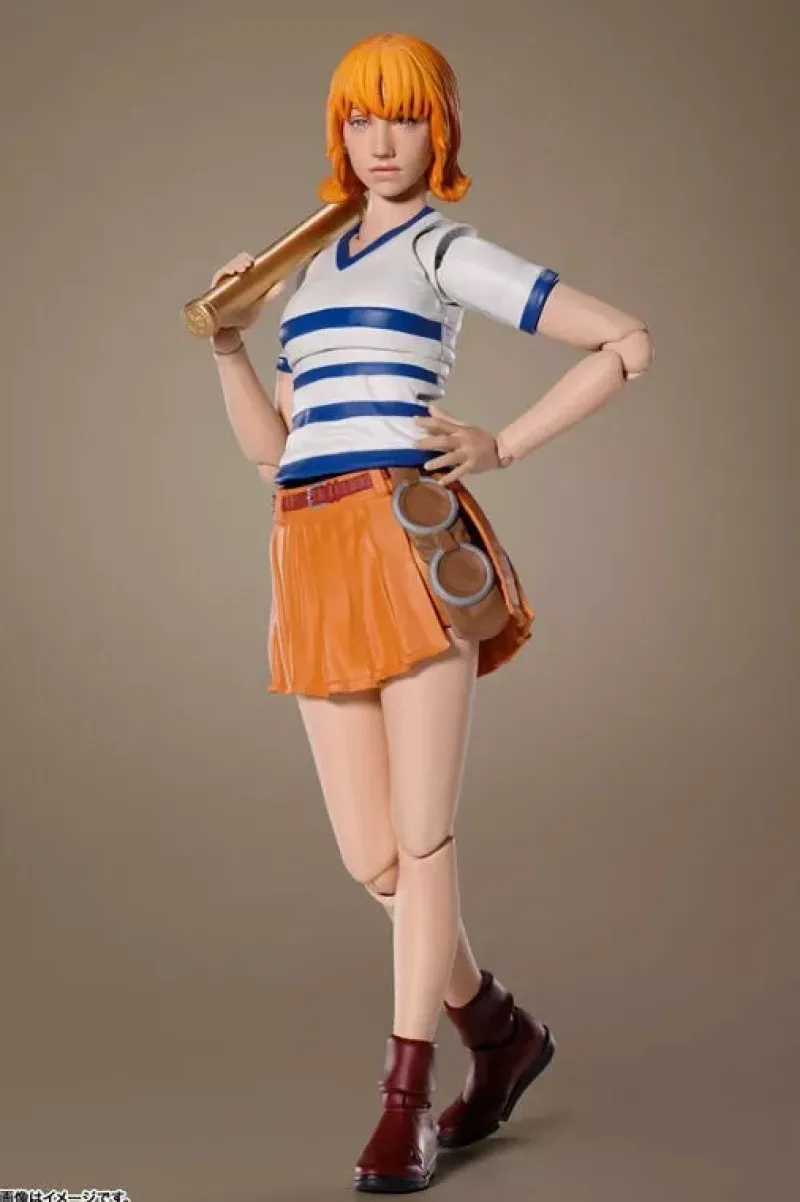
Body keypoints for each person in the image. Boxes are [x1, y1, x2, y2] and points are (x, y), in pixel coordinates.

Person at [207, 31, 653, 1195]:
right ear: (338, 131)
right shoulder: (309, 271)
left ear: (437, 129)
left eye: (402, 116)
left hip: (407, 543)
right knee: (373, 857)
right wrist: (229, 346)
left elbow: (623, 340)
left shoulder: (442, 249)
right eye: (360, 117)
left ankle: (404, 1096)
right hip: (309, 548)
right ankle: (496, 1027)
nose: (380, 140)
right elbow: (271, 454)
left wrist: (502, 443)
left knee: (421, 837)